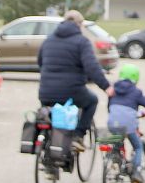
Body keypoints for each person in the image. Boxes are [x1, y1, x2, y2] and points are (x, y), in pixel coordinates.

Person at [37, 10, 113, 150]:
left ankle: (49, 149)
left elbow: (40, 62)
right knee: (92, 101)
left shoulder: (49, 39)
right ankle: (78, 136)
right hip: (71, 91)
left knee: (50, 117)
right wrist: (106, 87)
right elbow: (91, 67)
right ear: (80, 24)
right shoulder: (82, 41)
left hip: (46, 92)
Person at [107, 63, 145, 183]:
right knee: (138, 146)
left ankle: (115, 161)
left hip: (112, 122)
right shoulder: (136, 92)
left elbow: (109, 107)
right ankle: (135, 172)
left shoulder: (113, 90)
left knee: (116, 143)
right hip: (129, 124)